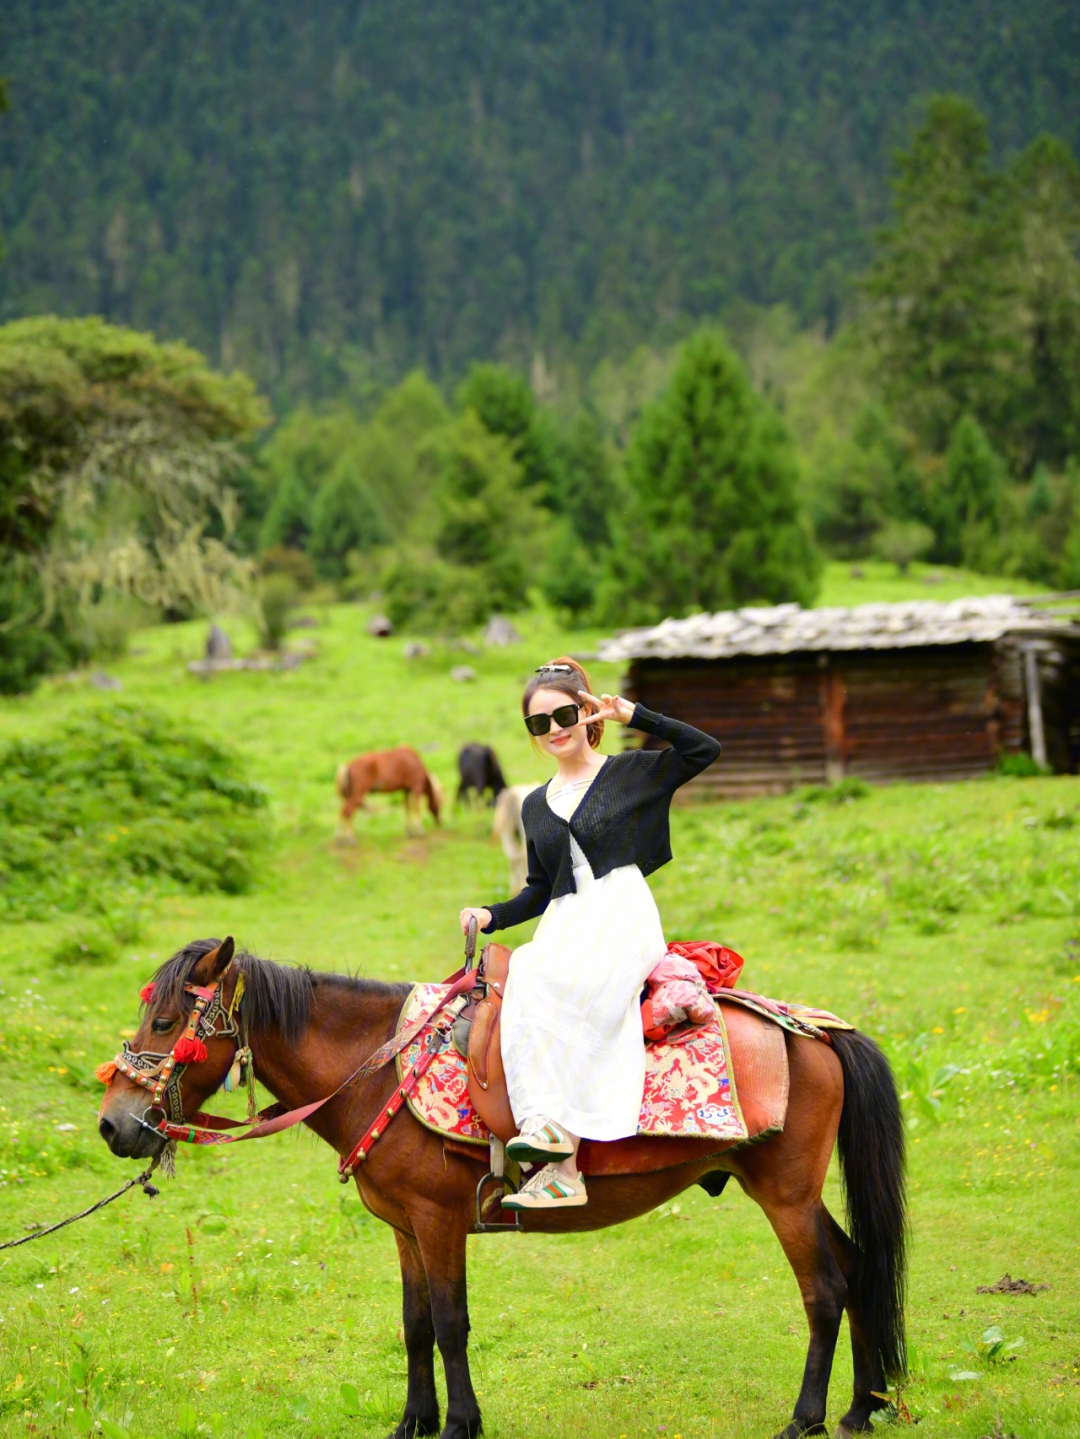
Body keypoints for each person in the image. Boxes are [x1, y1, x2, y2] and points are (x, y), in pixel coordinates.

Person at [459, 656, 721, 1211]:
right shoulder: (535, 803)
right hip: (568, 919)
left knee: (574, 989)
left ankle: (565, 1144)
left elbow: (704, 751)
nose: (554, 730)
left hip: (622, 913)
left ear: (587, 711)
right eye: (539, 723)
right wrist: (490, 914)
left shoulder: (628, 771)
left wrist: (638, 714)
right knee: (527, 979)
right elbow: (537, 889)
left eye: (564, 715)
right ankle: (552, 1158)